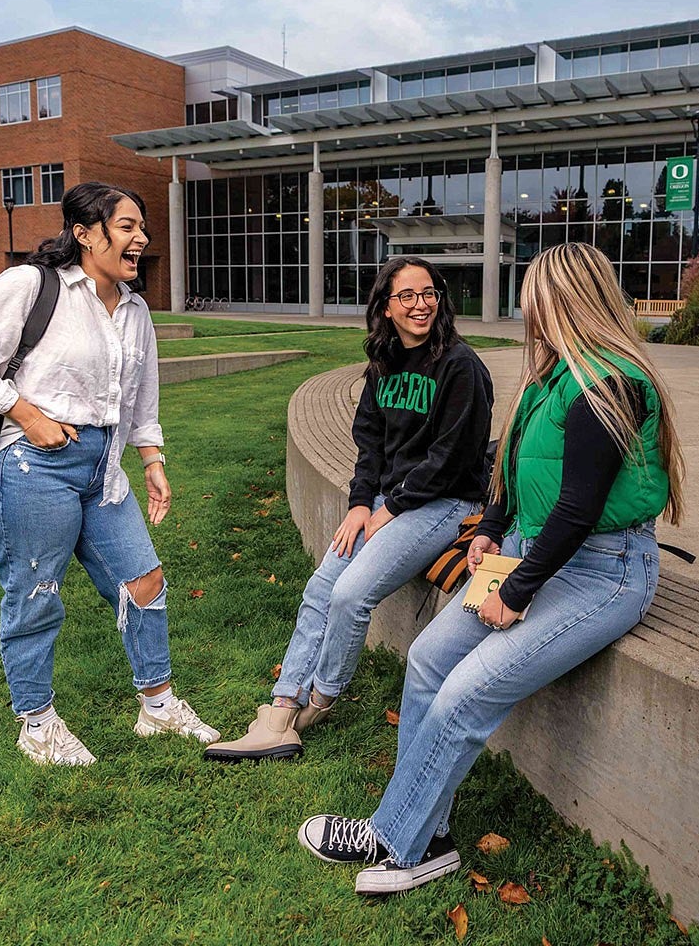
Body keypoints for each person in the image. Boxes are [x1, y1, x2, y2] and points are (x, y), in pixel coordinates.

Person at [296, 242, 686, 894]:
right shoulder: (551, 377)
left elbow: (580, 508)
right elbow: (506, 468)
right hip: (535, 550)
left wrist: (520, 588)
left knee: (464, 693)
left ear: (563, 301)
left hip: (603, 571)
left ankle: (398, 839)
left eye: (533, 295)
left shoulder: (608, 383)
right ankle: (427, 831)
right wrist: (496, 532)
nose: (525, 308)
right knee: (425, 661)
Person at [0, 181, 219, 767]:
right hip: (33, 465)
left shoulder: (135, 309)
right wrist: (25, 413)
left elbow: (142, 397)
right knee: (36, 594)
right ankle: (36, 723)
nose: (140, 238)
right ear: (85, 234)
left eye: (142, 228)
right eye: (128, 226)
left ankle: (157, 706)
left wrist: (152, 460)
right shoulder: (31, 286)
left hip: (104, 471)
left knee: (145, 582)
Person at [204, 257, 494, 762]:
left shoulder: (460, 366)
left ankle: (320, 699)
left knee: (351, 594)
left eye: (428, 294)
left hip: (444, 502)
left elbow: (453, 459)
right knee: (322, 587)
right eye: (407, 296)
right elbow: (370, 444)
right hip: (387, 502)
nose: (420, 304)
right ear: (386, 307)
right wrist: (362, 504)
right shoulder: (383, 364)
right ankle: (280, 709)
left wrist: (393, 508)